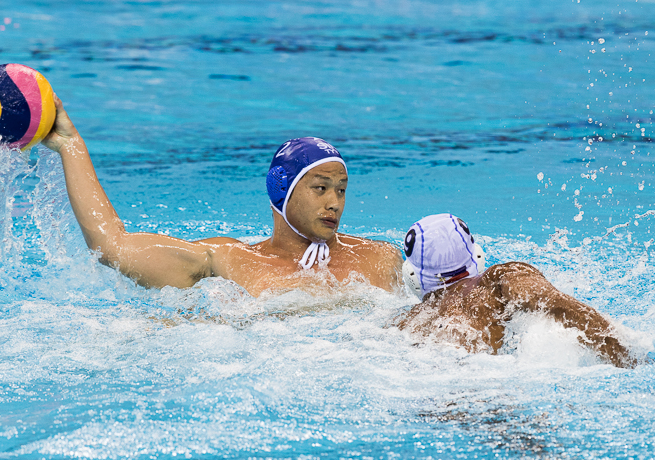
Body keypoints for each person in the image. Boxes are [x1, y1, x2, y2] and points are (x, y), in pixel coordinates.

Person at [41, 96, 403, 296]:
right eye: (320, 187)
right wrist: (72, 146)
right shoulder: (226, 263)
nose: (334, 203)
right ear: (281, 188)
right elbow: (112, 246)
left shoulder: (380, 259)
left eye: (341, 190)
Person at [391, 213, 636, 368]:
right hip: (492, 385)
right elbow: (556, 304)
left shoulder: (406, 323)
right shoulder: (499, 279)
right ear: (475, 253)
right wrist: (631, 360)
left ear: (412, 274)